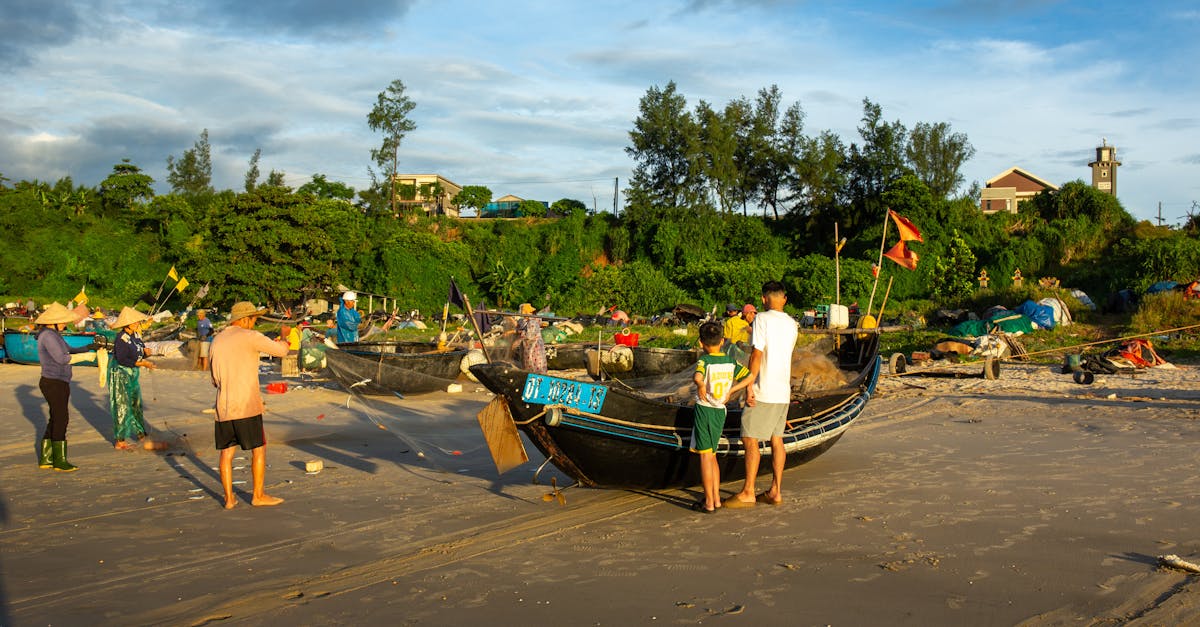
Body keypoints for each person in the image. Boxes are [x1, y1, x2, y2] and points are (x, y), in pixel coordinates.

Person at [209, 301, 290, 509]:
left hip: (223, 405)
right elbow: (281, 351)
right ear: (244, 319)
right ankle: (258, 495)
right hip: (246, 404)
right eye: (253, 319)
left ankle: (229, 499)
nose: (254, 323)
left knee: (226, 453)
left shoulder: (216, 340)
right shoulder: (250, 336)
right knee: (259, 449)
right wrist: (285, 336)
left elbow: (214, 380)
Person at [726, 281, 798, 508]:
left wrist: (748, 384)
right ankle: (775, 490)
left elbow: (756, 355)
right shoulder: (792, 323)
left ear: (764, 299)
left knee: (750, 439)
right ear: (784, 299)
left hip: (763, 389)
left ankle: (748, 491)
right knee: (777, 439)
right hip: (782, 391)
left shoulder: (762, 319)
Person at [692, 321, 751, 513]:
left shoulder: (704, 361)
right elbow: (749, 377)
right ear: (723, 340)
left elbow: (698, 377)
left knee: (705, 457)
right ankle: (716, 499)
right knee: (713, 455)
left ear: (701, 343)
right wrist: (732, 391)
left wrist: (701, 386)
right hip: (720, 411)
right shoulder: (730, 361)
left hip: (705, 410)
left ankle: (709, 502)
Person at [35, 302, 96, 471]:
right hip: (53, 382)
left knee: (56, 417)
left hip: (59, 381)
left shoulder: (54, 334)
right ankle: (60, 461)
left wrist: (90, 347)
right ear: (53, 321)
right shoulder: (48, 336)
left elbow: (71, 350)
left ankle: (46, 458)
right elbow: (62, 359)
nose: (65, 324)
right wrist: (87, 357)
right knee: (62, 418)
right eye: (63, 321)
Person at [109, 307, 160, 450]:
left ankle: (141, 434)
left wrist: (146, 355)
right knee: (122, 404)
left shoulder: (136, 335)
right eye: (135, 321)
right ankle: (120, 439)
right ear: (127, 323)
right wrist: (142, 363)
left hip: (133, 372)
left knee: (136, 402)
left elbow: (140, 352)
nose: (137, 323)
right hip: (120, 372)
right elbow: (122, 359)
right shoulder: (121, 338)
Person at [514, 303, 547, 373]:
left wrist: (518, 333)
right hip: (528, 345)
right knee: (528, 361)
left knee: (536, 362)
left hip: (535, 345)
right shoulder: (525, 321)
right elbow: (520, 327)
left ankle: (538, 376)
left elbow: (529, 335)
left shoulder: (533, 321)